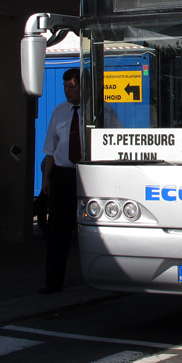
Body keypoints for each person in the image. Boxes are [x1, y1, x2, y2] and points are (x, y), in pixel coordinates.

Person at [39, 68, 119, 294]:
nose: (67, 91)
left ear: (83, 88)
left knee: (100, 226)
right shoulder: (59, 112)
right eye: (65, 87)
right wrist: (46, 179)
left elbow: (115, 144)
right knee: (58, 231)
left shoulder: (102, 112)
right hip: (64, 175)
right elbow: (50, 150)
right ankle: (53, 281)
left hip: (91, 174)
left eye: (71, 87)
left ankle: (112, 277)